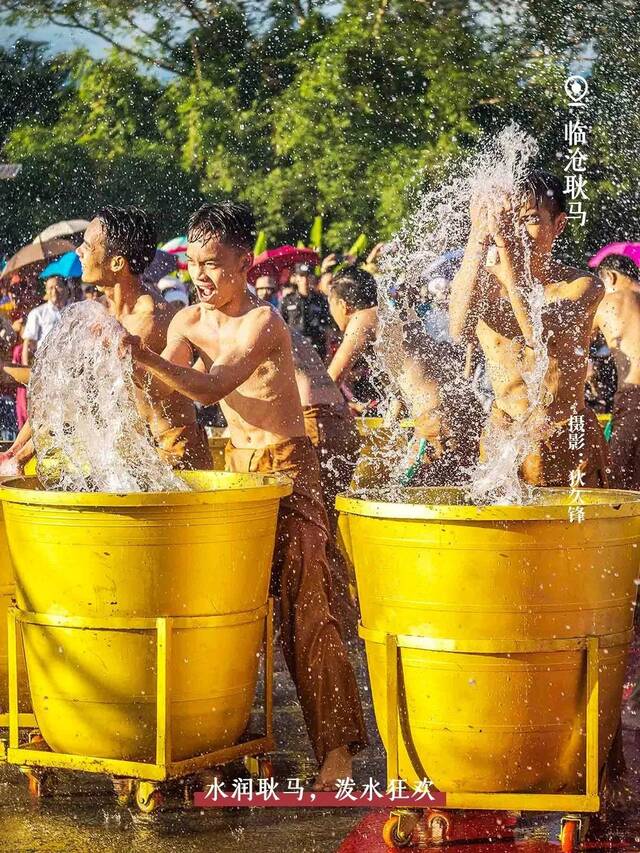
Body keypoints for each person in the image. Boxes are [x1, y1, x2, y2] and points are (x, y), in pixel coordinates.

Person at [121, 201, 367, 788]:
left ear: (244, 262)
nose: (201, 277)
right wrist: (116, 362)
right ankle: (217, 738)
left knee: (308, 611)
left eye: (213, 265)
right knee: (225, 608)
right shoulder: (185, 321)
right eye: (193, 266)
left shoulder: (265, 323)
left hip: (289, 469)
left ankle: (337, 750)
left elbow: (208, 389)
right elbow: (156, 386)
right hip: (237, 472)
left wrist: (143, 355)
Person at [6, 207, 212, 472]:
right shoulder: (99, 309)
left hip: (172, 453)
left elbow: (78, 394)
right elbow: (57, 385)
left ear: (117, 263)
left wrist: (21, 457)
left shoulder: (148, 319)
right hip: (134, 453)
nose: (78, 251)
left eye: (87, 246)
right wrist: (14, 451)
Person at [449, 171, 608, 487]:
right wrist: (478, 236)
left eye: (531, 219)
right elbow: (458, 329)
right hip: (504, 436)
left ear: (558, 225)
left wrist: (507, 252)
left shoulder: (581, 285)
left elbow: (538, 335)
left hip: (564, 434)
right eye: (510, 221)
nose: (517, 231)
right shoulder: (487, 284)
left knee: (574, 536)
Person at [592, 254, 640, 489]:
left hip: (635, 399)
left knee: (619, 486)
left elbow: (569, 345)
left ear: (610, 277)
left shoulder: (610, 302)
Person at [327, 267, 381, 414]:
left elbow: (330, 382)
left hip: (432, 421)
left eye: (330, 304)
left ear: (343, 306)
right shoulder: (384, 315)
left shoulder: (361, 320)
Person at [22, 276, 70, 366]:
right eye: (50, 288)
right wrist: (26, 368)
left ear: (65, 289)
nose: (54, 291)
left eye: (57, 287)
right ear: (46, 291)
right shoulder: (37, 313)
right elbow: (28, 343)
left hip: (66, 363)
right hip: (45, 364)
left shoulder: (71, 312)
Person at [289, 262, 332, 359]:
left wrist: (328, 351)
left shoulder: (321, 300)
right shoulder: (287, 301)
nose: (305, 280)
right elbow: (283, 325)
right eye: (302, 276)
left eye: (308, 276)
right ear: (296, 278)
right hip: (295, 350)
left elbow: (327, 328)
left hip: (317, 349)